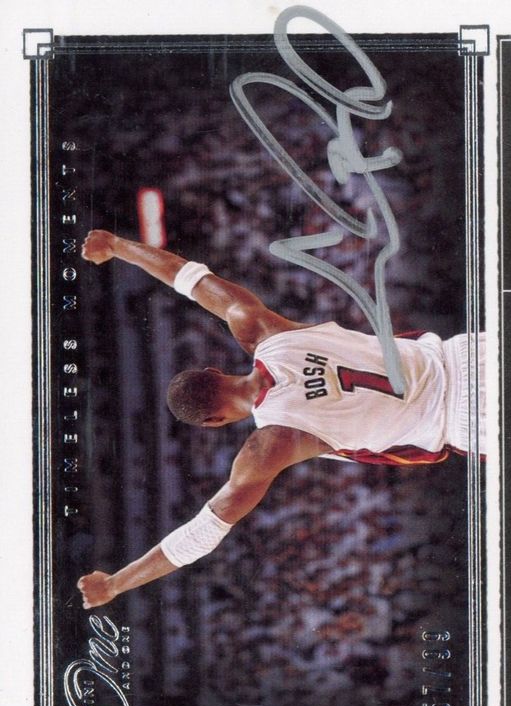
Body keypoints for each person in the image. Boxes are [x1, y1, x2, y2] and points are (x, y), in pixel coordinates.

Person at [77, 229, 485, 609]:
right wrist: (117, 245)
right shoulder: (263, 331)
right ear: (216, 371)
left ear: (214, 421)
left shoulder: (269, 446)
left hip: (465, 420)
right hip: (465, 354)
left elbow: (202, 532)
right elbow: (190, 278)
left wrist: (115, 584)